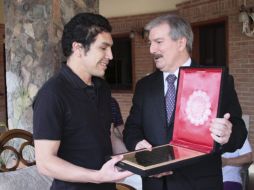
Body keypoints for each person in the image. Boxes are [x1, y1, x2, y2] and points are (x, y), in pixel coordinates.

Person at [123, 14, 247, 190]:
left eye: (158, 42)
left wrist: (228, 134)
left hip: (199, 184)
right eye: (150, 43)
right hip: (155, 184)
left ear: (181, 43)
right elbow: (131, 128)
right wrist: (138, 145)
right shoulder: (144, 86)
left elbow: (239, 130)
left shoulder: (216, 80)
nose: (151, 49)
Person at [33, 13, 132, 190]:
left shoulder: (102, 87)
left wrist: (137, 161)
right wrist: (97, 177)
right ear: (78, 48)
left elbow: (108, 134)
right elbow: (45, 162)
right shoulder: (52, 94)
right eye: (103, 48)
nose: (111, 55)